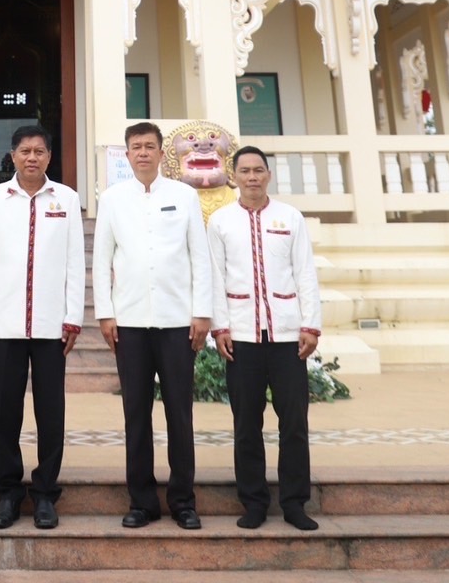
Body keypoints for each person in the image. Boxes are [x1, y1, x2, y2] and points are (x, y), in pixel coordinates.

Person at [92, 121, 212, 530]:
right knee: (136, 415)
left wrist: (202, 312)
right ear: (127, 155)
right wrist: (105, 314)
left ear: (162, 153)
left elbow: (200, 257)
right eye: (135, 147)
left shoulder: (184, 195)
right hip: (130, 323)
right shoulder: (112, 199)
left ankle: (183, 501)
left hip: (178, 322)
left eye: (149, 146)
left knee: (180, 413)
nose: (142, 153)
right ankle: (142, 502)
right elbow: (101, 261)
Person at [0, 123, 85, 531]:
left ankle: (45, 494)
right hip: (6, 322)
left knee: (51, 413)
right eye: (25, 151)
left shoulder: (66, 199)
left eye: (39, 151)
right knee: (6, 411)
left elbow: (75, 262)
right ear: (13, 156)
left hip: (53, 325)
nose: (32, 157)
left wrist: (74, 317)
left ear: (49, 156)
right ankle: (6, 493)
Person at [207, 144, 322, 532]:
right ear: (233, 177)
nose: (252, 177)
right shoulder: (221, 222)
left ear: (268, 175)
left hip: (288, 337)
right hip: (241, 337)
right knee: (246, 425)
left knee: (294, 423)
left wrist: (310, 325)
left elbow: (305, 273)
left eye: (258, 170)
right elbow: (216, 277)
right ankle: (254, 502)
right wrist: (221, 328)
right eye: (245, 171)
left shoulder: (289, 217)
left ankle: (294, 503)